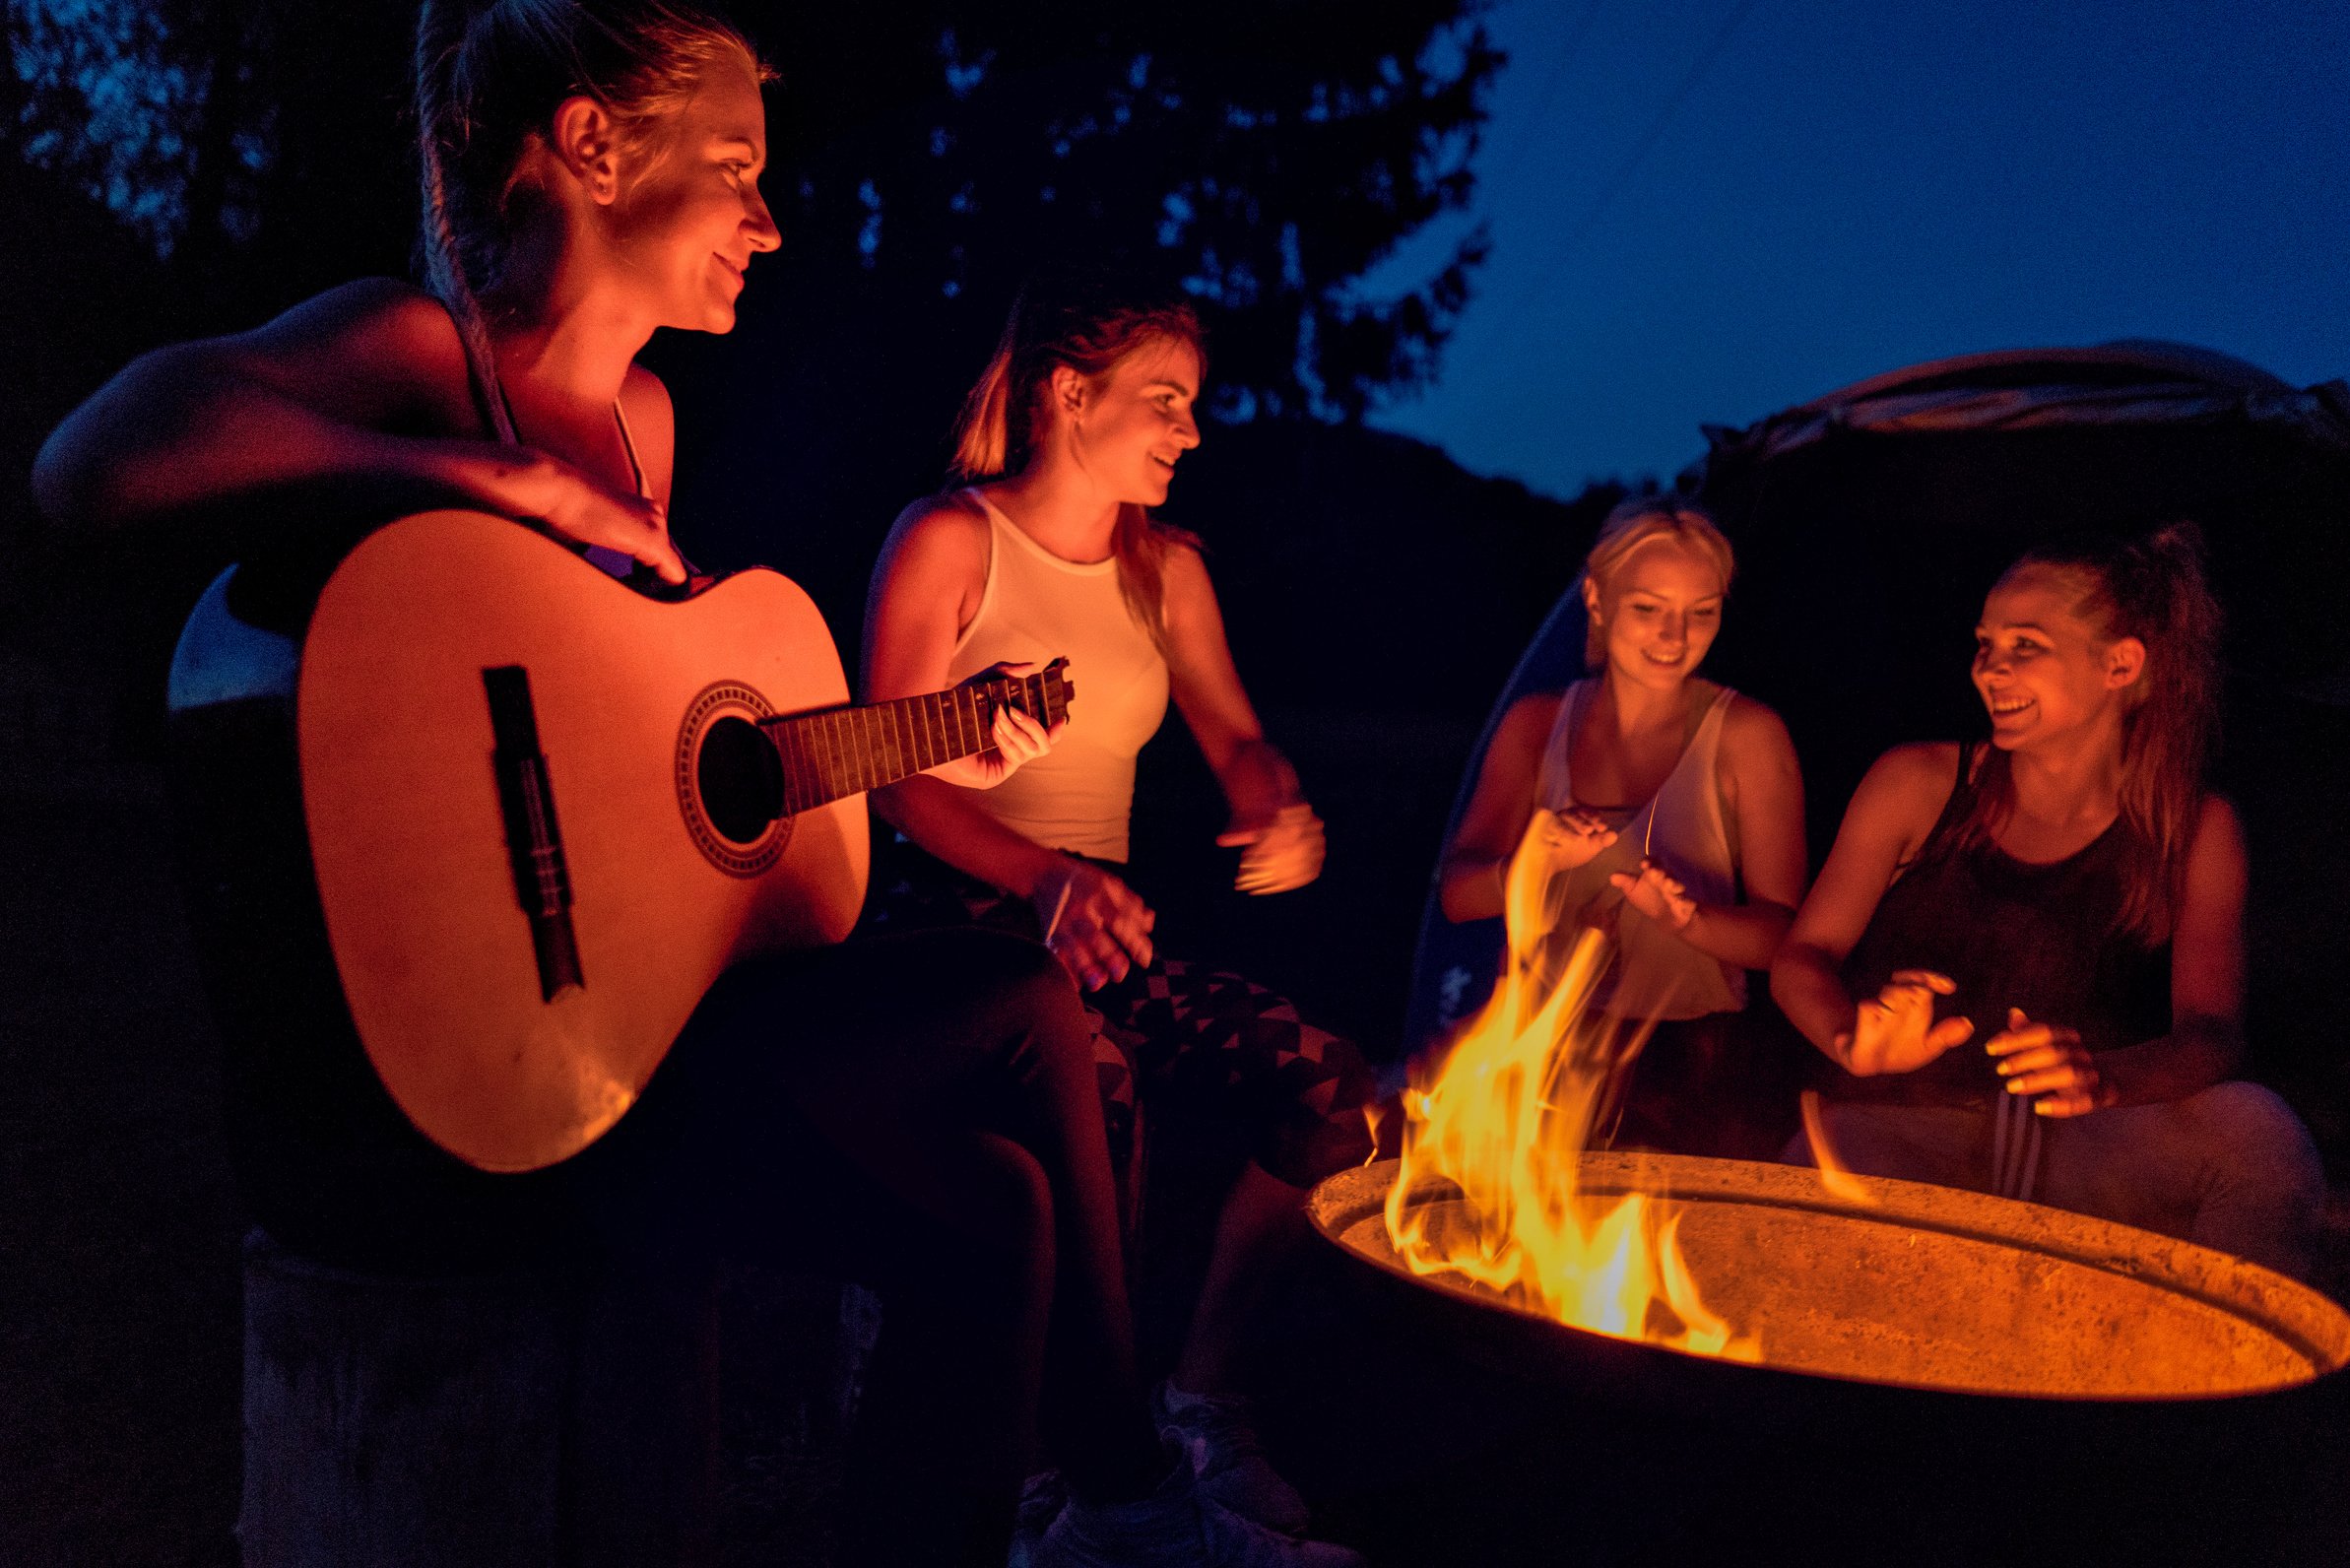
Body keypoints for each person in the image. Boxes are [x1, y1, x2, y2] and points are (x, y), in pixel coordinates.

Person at [33, 7, 1359, 1565]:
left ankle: (1068, 1508)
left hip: (634, 1035)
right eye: (734, 165)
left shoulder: (646, 426)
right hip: (455, 1083)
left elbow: (656, 778)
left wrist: (918, 740)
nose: (769, 214)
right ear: (593, 150)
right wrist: (480, 473)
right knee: (1019, 1024)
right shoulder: (427, 352)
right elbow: (95, 460)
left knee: (1000, 1187)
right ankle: (1127, 1499)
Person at [862, 269, 1382, 1540]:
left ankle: (1201, 1403)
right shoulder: (951, 539)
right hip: (957, 926)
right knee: (1096, 1112)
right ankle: (1056, 1475)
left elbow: (1236, 737)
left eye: (1192, 406)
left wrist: (1279, 805)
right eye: (1162, 401)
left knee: (1333, 1096)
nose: (1187, 433)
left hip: (1103, 931)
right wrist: (1037, 877)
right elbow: (885, 776)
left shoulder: (1168, 572)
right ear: (1065, 391)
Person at [1770, 524, 2324, 1278]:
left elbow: (2214, 1034)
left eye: (2024, 646)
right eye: (1984, 644)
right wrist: (1849, 1037)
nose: (1989, 671)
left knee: (2258, 1134)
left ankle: (2230, 1385)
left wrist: (2107, 1078)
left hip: (2090, 1148)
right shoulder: (1919, 784)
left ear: (2120, 665)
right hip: (1918, 1137)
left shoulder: (2196, 827)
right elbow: (1804, 955)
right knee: (1818, 1157)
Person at [1435, 496, 1807, 1157]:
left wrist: (1691, 923)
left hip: (1691, 1058)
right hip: (1542, 1039)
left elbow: (1787, 940)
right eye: (1648, 609)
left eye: (1701, 613)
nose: (1674, 636)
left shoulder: (1746, 736)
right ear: (1597, 598)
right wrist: (1527, 867)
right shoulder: (1537, 725)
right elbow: (1457, 896)